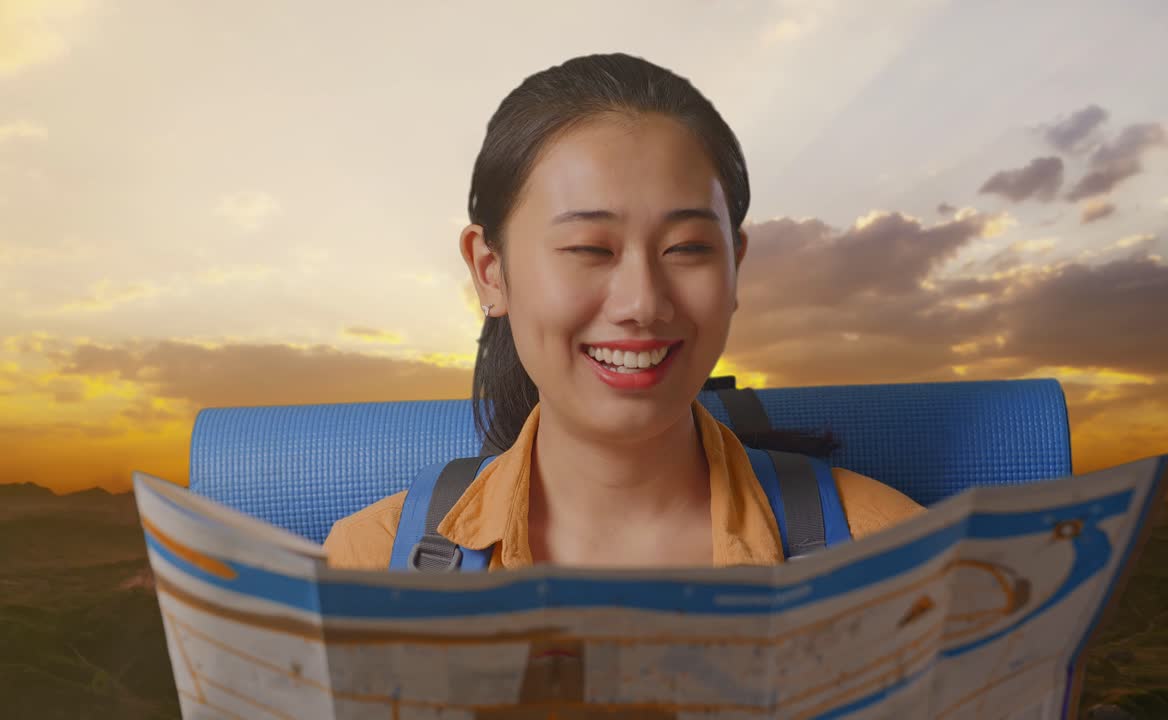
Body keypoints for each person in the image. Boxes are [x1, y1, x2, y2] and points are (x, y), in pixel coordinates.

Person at [323, 52, 924, 571]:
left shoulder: (895, 553)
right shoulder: (366, 564)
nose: (642, 303)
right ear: (490, 270)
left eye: (687, 248)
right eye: (588, 249)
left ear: (735, 267)